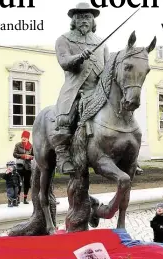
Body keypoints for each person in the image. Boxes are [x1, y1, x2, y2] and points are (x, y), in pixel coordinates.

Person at [52, 2, 109, 175]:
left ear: (93, 21)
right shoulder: (64, 39)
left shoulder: (102, 43)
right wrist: (79, 57)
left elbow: (106, 69)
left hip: (98, 91)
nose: (84, 20)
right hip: (76, 89)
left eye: (88, 17)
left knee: (119, 112)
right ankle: (62, 155)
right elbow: (64, 62)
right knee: (65, 118)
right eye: (80, 17)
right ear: (74, 20)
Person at [13, 130, 34, 204]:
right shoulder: (18, 145)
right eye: (22, 137)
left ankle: (25, 199)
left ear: (28, 138)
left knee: (27, 183)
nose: (23, 138)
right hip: (19, 167)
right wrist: (22, 156)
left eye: (25, 137)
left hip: (28, 167)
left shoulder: (31, 146)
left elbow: (34, 156)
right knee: (19, 183)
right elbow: (14, 154)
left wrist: (30, 157)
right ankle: (18, 198)